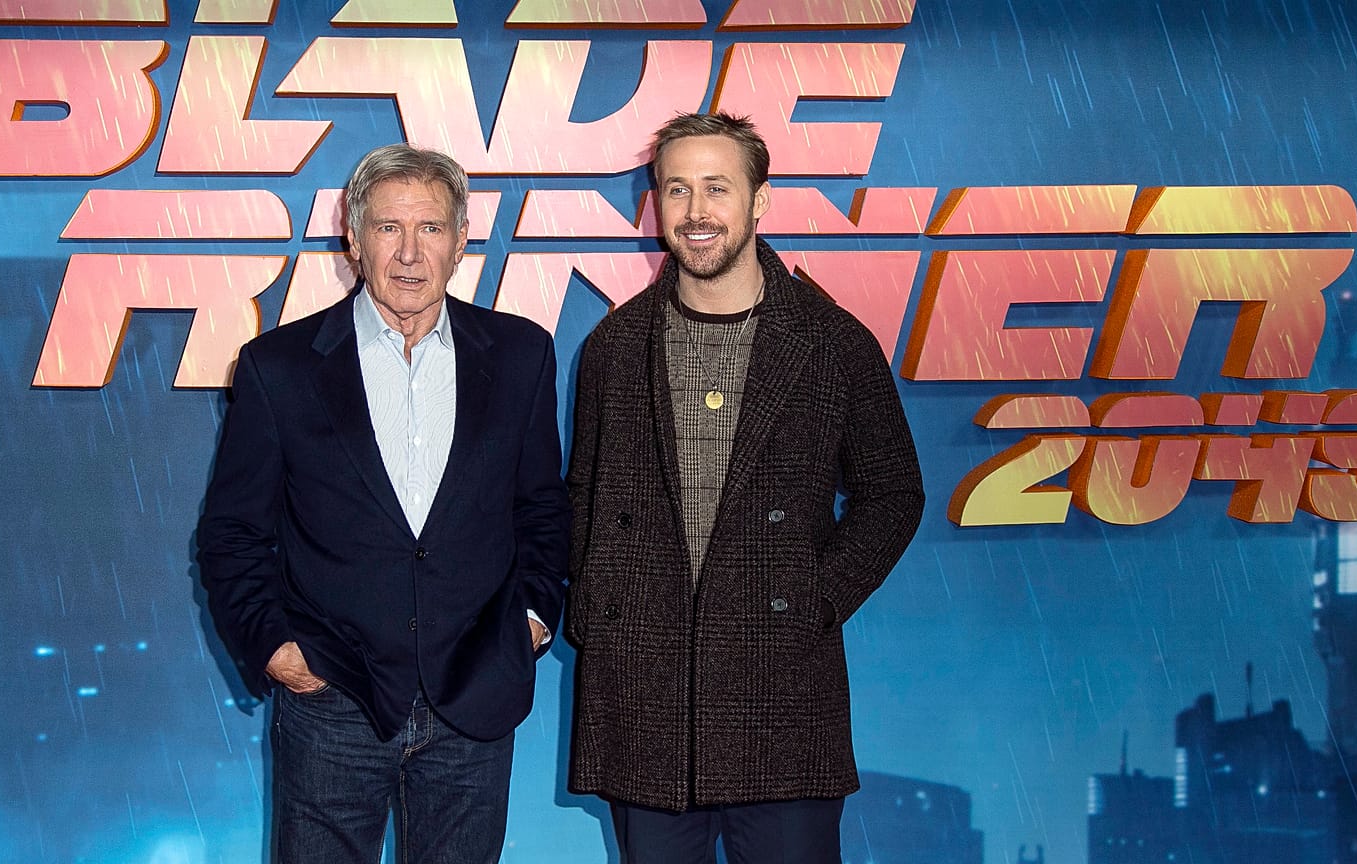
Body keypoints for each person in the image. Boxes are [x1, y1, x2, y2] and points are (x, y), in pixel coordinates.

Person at [565, 112, 925, 863]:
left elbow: (893, 493)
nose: (696, 212)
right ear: (655, 205)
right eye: (676, 190)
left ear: (760, 201)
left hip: (782, 696)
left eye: (717, 189)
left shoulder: (833, 344)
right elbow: (584, 501)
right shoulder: (614, 348)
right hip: (645, 698)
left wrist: (816, 601)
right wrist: (597, 612)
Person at [196, 143, 568, 864]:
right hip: (333, 699)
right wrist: (276, 647)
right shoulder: (278, 368)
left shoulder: (522, 354)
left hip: (474, 694)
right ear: (353, 240)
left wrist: (529, 620)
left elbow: (542, 511)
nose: (408, 252)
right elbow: (231, 534)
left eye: (429, 228)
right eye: (387, 228)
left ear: (460, 241)